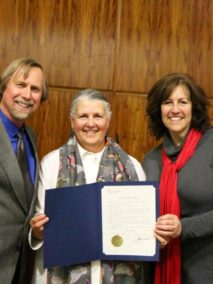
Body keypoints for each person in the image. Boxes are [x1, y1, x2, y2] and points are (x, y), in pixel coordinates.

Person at [29, 88, 146, 284]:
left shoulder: (132, 167)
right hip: (62, 272)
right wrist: (38, 230)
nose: (90, 123)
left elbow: (142, 226)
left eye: (98, 116)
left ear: (108, 121)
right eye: (83, 116)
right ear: (72, 121)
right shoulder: (51, 164)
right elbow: (40, 223)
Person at [142, 73, 213, 284]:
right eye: (167, 102)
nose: (175, 109)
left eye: (182, 102)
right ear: (159, 110)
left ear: (194, 108)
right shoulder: (151, 159)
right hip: (158, 269)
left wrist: (183, 227)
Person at [0, 57, 48, 284]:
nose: (27, 95)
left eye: (35, 89)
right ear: (4, 86)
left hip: (19, 267)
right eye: (20, 85)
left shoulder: (29, 137)